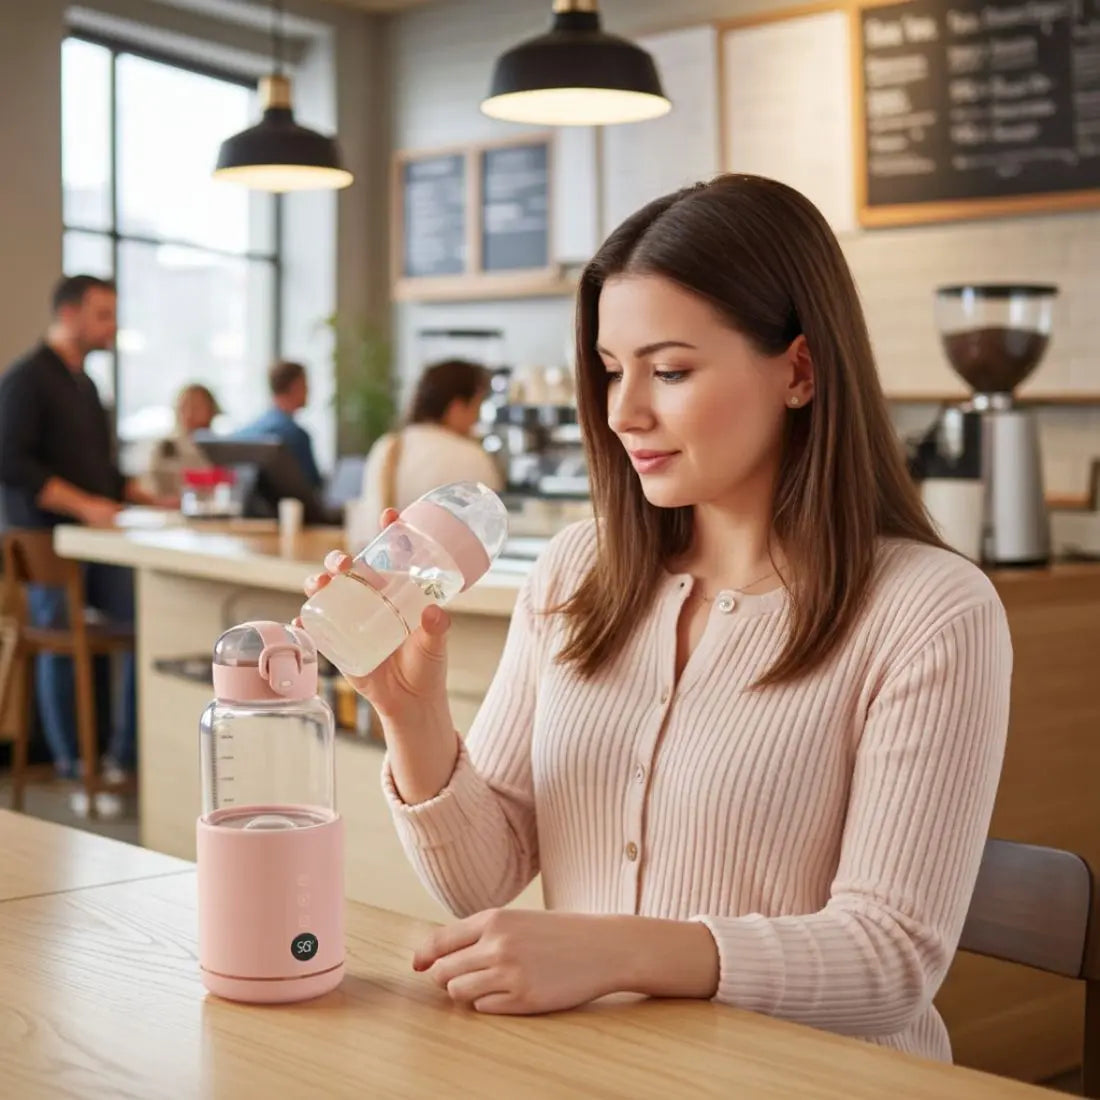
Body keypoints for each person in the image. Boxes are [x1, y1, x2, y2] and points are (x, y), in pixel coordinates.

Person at [303, 175, 1012, 1060]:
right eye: (609, 371)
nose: (622, 412)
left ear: (798, 370)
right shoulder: (578, 570)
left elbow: (893, 958)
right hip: (607, 1071)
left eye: (669, 371)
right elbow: (481, 878)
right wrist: (413, 717)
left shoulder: (928, 611)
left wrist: (614, 951)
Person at [0, 274, 165, 798]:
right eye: (102, 314)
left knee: (149, 617)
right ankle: (75, 765)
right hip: (44, 541)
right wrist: (83, 505)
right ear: (69, 314)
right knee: (62, 640)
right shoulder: (27, 379)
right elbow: (10, 459)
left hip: (100, 544)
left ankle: (125, 761)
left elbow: (102, 473)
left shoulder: (86, 385)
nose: (111, 326)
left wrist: (146, 494)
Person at [359, 359, 503, 534]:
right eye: (476, 407)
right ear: (456, 407)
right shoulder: (471, 456)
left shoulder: (386, 445)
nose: (476, 420)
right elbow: (493, 525)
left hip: (385, 558)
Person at [234, 360, 321, 489]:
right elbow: (312, 487)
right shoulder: (295, 435)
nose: (309, 390)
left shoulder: (244, 434)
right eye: (306, 385)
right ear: (296, 386)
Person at [146, 383, 219, 498]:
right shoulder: (166, 447)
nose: (190, 414)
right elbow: (150, 488)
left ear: (211, 410)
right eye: (184, 407)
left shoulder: (222, 449)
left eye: (196, 407)